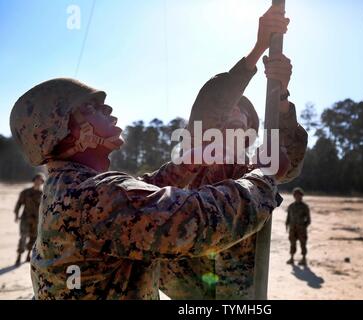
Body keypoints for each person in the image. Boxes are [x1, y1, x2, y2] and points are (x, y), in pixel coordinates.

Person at [9, 75, 291, 299]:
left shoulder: (69, 186)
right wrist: (265, 175)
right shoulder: (94, 196)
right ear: (59, 131)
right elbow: (199, 219)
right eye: (90, 108)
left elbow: (143, 193)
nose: (107, 108)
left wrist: (189, 161)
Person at [159, 4, 308, 299]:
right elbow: (211, 105)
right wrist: (258, 49)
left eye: (242, 112)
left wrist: (281, 97)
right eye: (229, 108)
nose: (233, 116)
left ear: (251, 128)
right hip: (188, 287)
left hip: (240, 289)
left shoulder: (254, 171)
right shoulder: (193, 157)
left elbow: (289, 164)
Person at [14, 174, 45, 266]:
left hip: (37, 221)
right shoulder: (26, 192)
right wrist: (16, 214)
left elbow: (46, 208)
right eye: (37, 179)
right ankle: (19, 256)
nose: (38, 182)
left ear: (42, 182)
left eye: (40, 180)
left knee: (33, 239)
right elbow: (19, 204)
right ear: (34, 180)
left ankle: (28, 255)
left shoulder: (44, 194)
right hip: (25, 218)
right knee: (23, 237)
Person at [286, 187, 311, 266]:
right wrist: (287, 224)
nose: (297, 196)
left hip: (301, 229)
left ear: (301, 196)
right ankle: (292, 258)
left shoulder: (305, 206)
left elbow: (308, 219)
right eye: (296, 195)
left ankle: (303, 259)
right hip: (292, 228)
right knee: (292, 243)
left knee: (303, 243)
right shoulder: (291, 206)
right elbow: (288, 217)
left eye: (299, 195)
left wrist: (304, 226)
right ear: (294, 196)